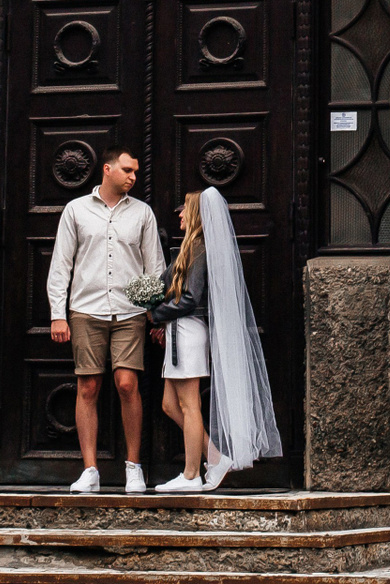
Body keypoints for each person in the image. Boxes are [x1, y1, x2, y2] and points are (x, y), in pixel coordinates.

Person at [46, 147, 164, 494]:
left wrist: (155, 314)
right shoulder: (76, 210)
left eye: (135, 172)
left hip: (129, 312)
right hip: (86, 310)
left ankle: (133, 467)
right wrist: (57, 315)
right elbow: (61, 264)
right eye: (127, 170)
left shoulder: (142, 213)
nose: (133, 177)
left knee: (127, 384)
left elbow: (154, 267)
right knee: (88, 387)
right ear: (108, 169)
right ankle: (90, 470)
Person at [147, 186, 281, 491]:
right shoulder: (189, 248)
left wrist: (156, 314)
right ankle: (216, 458)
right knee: (170, 404)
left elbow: (190, 298)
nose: (180, 214)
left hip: (188, 333)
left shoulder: (199, 249)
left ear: (196, 214)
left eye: (185, 208)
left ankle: (191, 475)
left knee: (189, 405)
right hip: (178, 331)